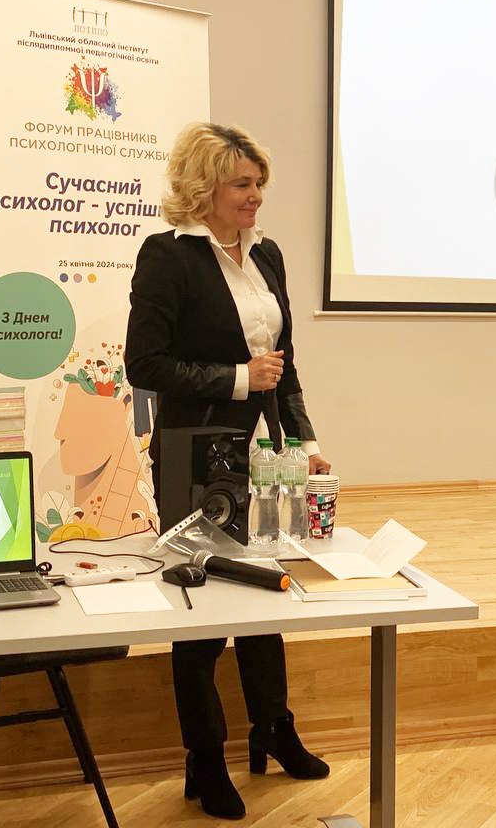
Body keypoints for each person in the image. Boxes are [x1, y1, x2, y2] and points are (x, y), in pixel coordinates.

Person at [125, 122, 331, 820]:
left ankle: (273, 727)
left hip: (264, 455)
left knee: (267, 591)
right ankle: (205, 757)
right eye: (242, 184)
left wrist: (303, 441)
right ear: (204, 187)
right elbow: (145, 364)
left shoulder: (266, 254)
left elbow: (284, 364)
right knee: (202, 611)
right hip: (193, 455)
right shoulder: (168, 256)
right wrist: (239, 378)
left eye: (259, 183)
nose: (255, 196)